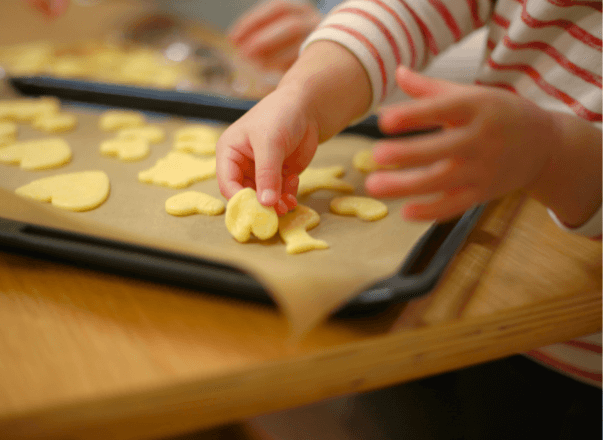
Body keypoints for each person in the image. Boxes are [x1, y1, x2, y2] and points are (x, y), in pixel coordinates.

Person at [218, 0, 601, 438]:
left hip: (578, 360)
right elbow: (407, 8)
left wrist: (553, 153)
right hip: (461, 274)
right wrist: (303, 92)